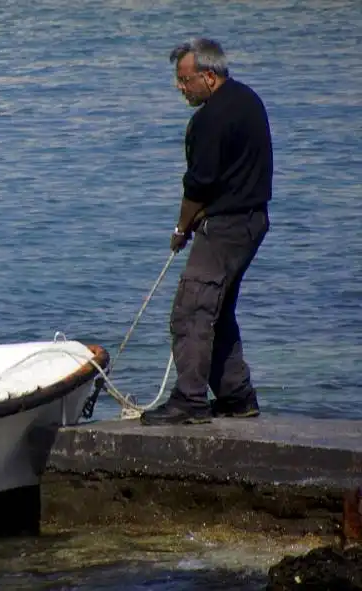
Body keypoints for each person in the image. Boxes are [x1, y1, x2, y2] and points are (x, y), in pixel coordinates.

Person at [140, 38, 273, 426]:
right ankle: (236, 397)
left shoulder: (210, 119)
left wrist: (182, 228)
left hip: (227, 228)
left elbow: (198, 184)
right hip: (252, 221)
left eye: (185, 80)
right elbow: (231, 173)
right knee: (219, 310)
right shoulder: (247, 99)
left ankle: (190, 400)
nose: (180, 88)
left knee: (191, 312)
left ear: (208, 77)